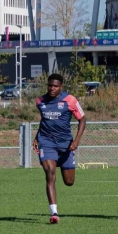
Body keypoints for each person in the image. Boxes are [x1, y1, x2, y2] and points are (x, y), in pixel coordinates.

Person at [33, 74, 87, 224]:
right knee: (50, 173)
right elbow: (44, 121)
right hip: (46, 142)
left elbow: (82, 119)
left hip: (66, 145)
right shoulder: (40, 101)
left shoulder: (70, 100)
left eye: (55, 86)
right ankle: (54, 212)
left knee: (69, 182)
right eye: (50, 85)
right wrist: (37, 137)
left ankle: (61, 161)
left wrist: (76, 141)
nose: (52, 88)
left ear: (61, 87)